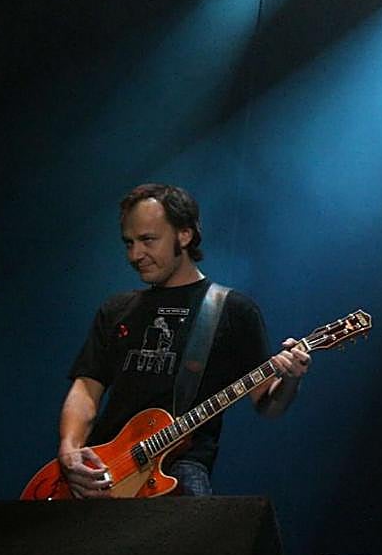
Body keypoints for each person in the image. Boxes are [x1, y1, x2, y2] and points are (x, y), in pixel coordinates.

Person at [56, 183, 311, 497]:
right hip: (106, 467)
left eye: (148, 240)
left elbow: (269, 406)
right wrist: (69, 448)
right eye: (129, 243)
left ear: (185, 235)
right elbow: (86, 389)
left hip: (180, 469)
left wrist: (290, 380)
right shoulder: (116, 309)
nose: (135, 255)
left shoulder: (232, 310)